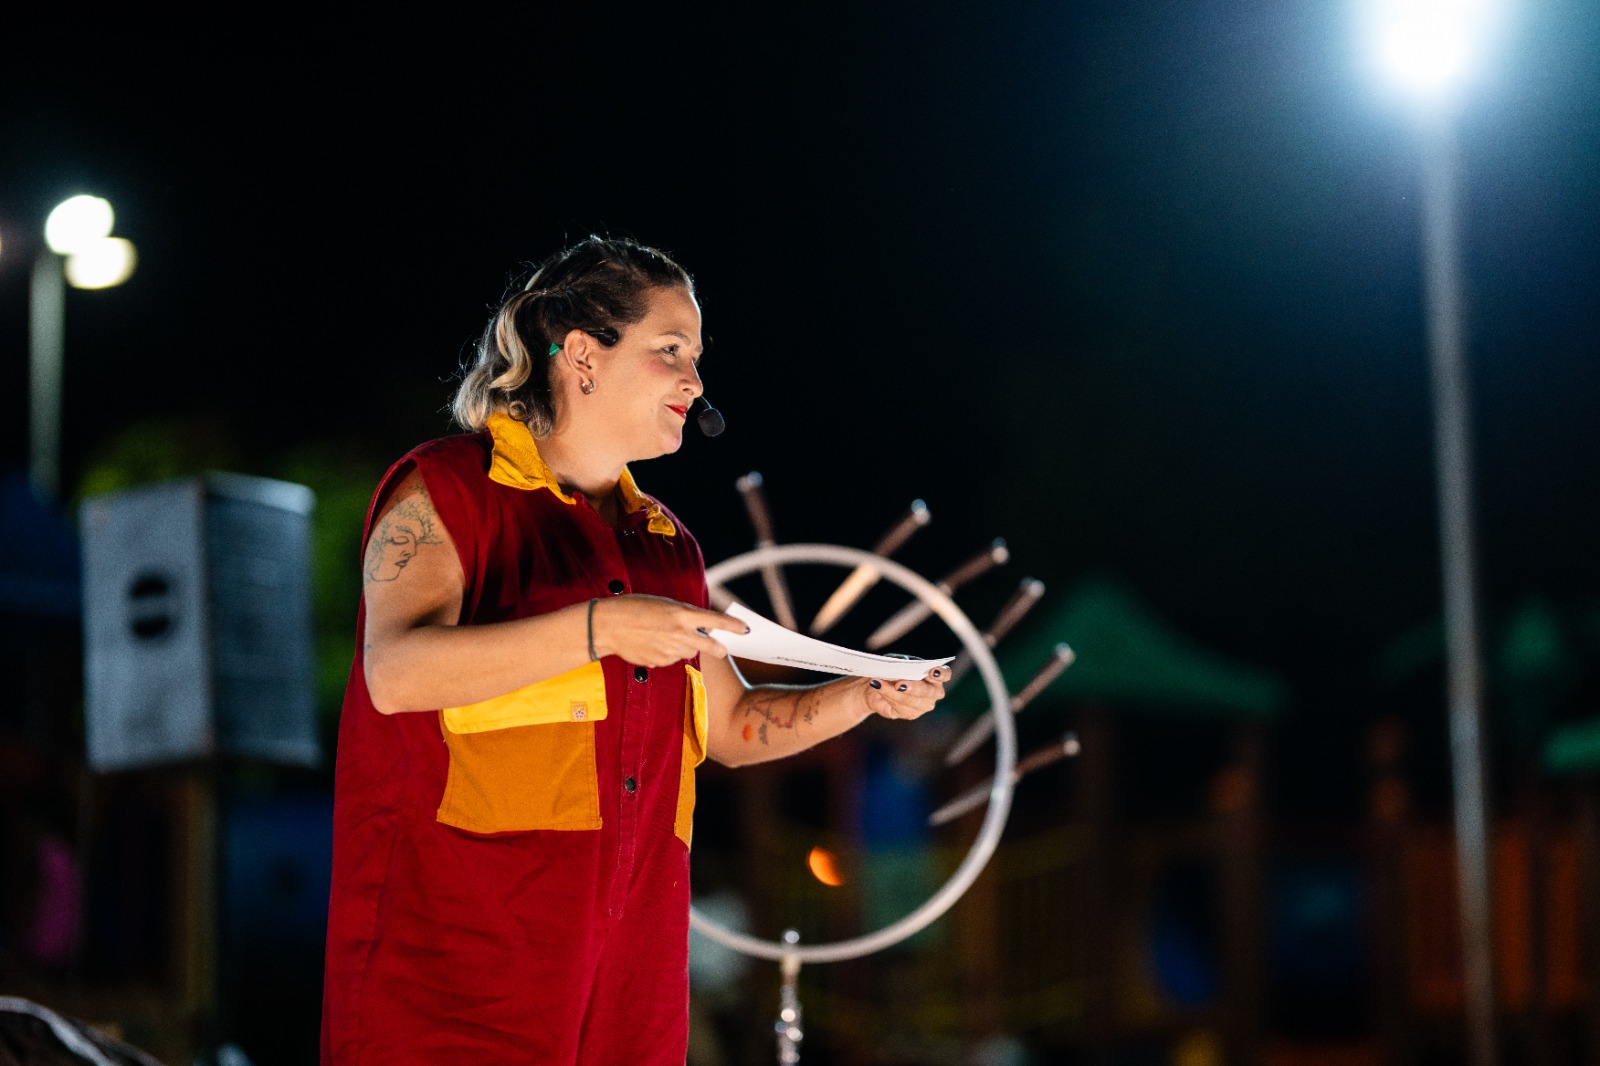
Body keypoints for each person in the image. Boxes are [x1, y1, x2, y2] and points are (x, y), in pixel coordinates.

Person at [320, 235, 949, 1065]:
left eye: (694, 356)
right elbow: (395, 674)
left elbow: (732, 728)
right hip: (458, 982)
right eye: (668, 352)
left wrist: (864, 695)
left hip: (627, 990)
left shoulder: (667, 547)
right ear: (582, 356)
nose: (695, 381)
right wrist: (602, 628)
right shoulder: (445, 490)